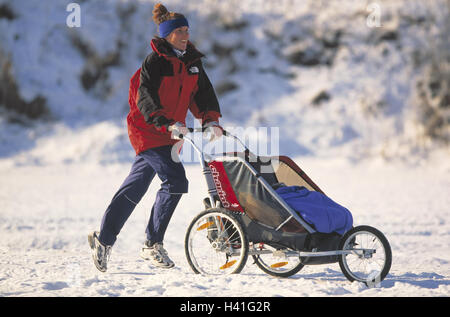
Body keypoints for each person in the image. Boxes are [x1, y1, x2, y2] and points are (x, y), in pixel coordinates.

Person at [88, 3, 222, 272]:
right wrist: (164, 122)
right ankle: (152, 244)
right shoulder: (155, 62)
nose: (185, 35)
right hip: (147, 130)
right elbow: (145, 98)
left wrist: (210, 121)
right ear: (166, 35)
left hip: (173, 133)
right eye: (179, 31)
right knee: (175, 181)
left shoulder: (192, 62)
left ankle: (103, 239)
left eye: (187, 30)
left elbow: (203, 94)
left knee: (135, 187)